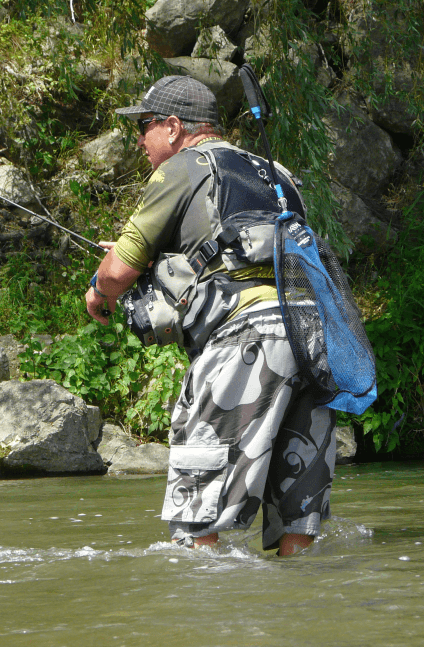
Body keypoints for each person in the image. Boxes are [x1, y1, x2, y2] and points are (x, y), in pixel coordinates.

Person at [84, 75, 336, 556]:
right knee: (298, 526)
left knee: (195, 521)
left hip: (247, 339)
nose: (141, 140)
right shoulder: (275, 172)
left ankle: (210, 615)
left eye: (146, 125)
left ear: (175, 127)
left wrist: (99, 290)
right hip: (311, 338)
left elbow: (117, 275)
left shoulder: (180, 168)